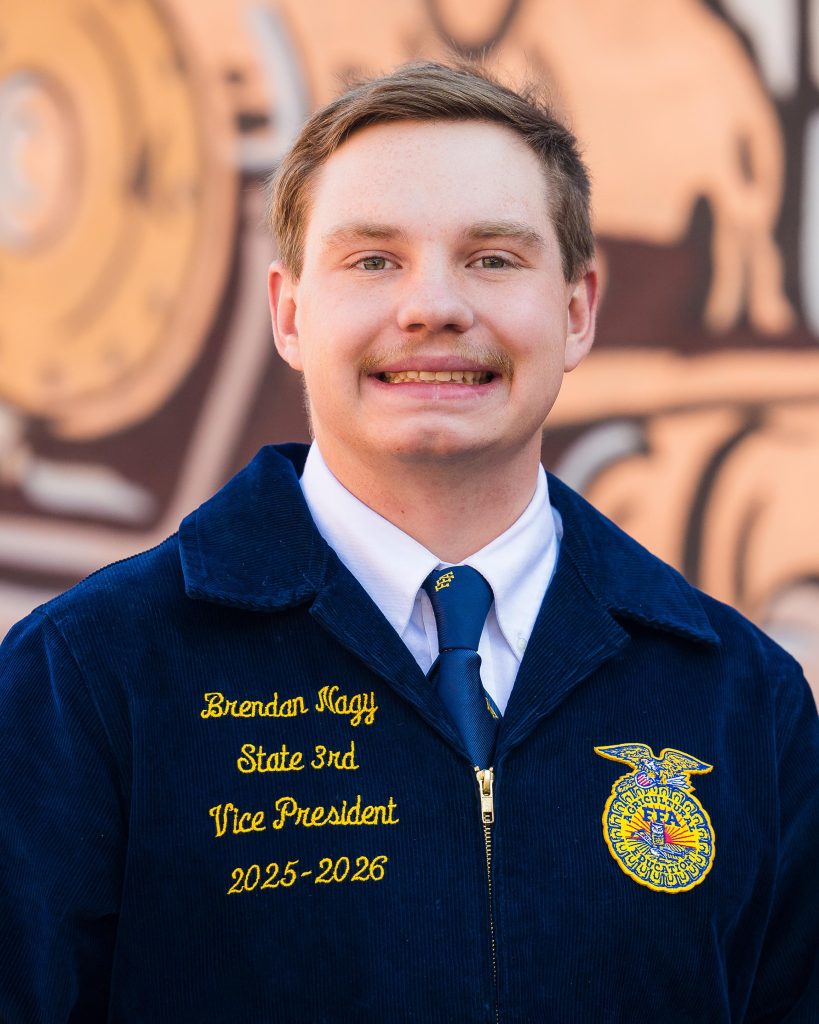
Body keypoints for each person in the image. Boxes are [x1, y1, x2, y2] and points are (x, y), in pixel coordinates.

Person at [1, 61, 817, 1023]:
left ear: (577, 309)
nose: (433, 307)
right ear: (291, 313)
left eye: (494, 258)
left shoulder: (739, 699)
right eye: (373, 260)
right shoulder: (91, 677)